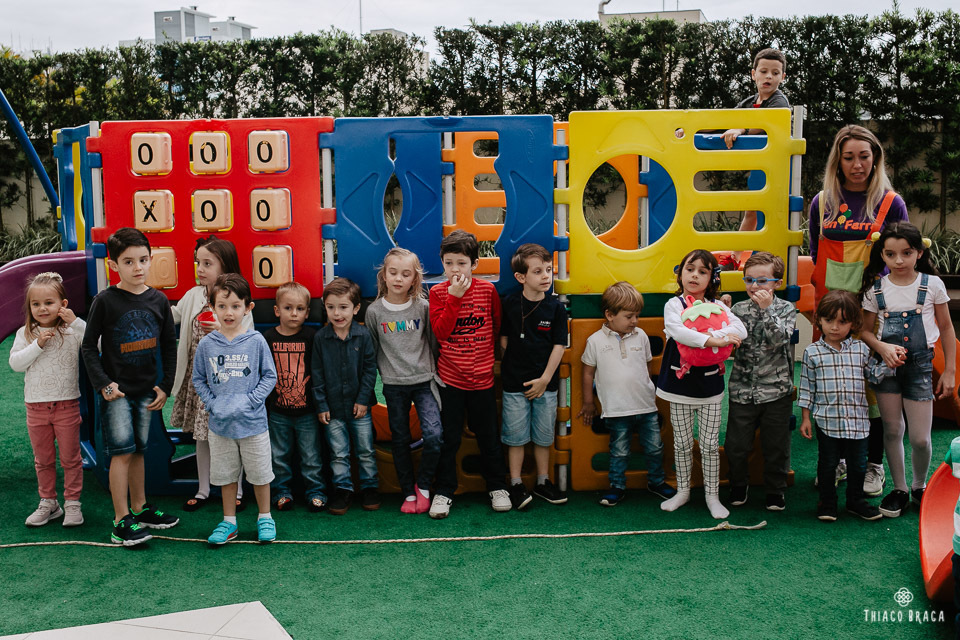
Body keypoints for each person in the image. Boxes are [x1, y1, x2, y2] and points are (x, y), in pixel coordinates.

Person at [809, 124, 909, 497]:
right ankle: (835, 460)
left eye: (864, 156)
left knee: (874, 389)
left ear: (875, 158)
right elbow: (816, 252)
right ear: (838, 160)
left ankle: (872, 465)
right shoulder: (823, 202)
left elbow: (901, 261)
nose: (857, 164)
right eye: (849, 157)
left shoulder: (890, 202)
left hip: (873, 313)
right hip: (832, 311)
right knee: (835, 387)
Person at [81, 227, 179, 546]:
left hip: (146, 391)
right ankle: (121, 521)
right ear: (114, 266)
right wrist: (104, 384)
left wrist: (165, 385)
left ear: (151, 260)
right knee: (121, 453)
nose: (137, 267)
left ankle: (139, 508)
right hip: (117, 393)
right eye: (128, 261)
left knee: (139, 450)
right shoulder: (105, 301)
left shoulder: (159, 300)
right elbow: (87, 347)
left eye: (143, 260)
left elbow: (168, 346)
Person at [859, 223, 956, 518]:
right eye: (890, 254)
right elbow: (864, 331)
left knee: (920, 438)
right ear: (882, 255)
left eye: (906, 253)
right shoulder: (875, 289)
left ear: (919, 252)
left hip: (920, 366)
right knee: (892, 429)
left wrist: (950, 371)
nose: (898, 260)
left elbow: (947, 327)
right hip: (886, 368)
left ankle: (919, 485)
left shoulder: (932, 285)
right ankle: (900, 488)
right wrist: (883, 348)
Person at [656, 250, 746, 519]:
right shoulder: (674, 305)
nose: (695, 275)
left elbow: (739, 329)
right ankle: (683, 491)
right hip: (679, 385)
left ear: (712, 278)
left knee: (708, 444)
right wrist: (715, 340)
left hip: (709, 387)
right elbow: (678, 331)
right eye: (689, 269)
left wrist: (713, 335)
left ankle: (712, 495)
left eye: (702, 271)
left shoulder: (720, 307)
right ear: (680, 273)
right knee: (682, 442)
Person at [192, 274, 278, 545]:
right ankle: (229, 522)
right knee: (226, 476)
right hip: (221, 427)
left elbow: (269, 376)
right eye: (222, 306)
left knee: (260, 474)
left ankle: (265, 517)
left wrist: (251, 401)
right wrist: (213, 403)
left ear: (247, 307)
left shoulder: (256, 341)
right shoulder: (207, 344)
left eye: (236, 306)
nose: (229, 312)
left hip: (253, 425)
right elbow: (198, 379)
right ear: (212, 307)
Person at [429, 230, 509, 518]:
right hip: (450, 381)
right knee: (448, 439)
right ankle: (444, 491)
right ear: (442, 263)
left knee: (488, 436)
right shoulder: (438, 293)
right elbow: (441, 332)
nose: (455, 269)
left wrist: (489, 363)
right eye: (449, 263)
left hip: (483, 382)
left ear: (474, 264)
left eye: (461, 263)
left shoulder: (488, 291)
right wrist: (454, 298)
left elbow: (497, 325)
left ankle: (497, 487)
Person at [170, 236, 252, 513]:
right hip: (199, 382)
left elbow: (247, 341)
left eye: (207, 263)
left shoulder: (237, 298)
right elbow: (173, 316)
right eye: (198, 263)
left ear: (225, 266)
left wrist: (221, 330)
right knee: (201, 436)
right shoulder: (194, 295)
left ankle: (237, 489)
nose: (200, 269)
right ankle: (203, 488)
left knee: (231, 435)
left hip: (227, 383)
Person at [578, 281, 677, 507]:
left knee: (654, 447)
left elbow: (648, 366)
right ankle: (617, 486)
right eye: (629, 316)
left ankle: (656, 481)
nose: (635, 321)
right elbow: (587, 373)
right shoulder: (595, 341)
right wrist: (588, 402)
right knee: (619, 451)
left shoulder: (641, 336)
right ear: (610, 315)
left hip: (645, 407)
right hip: (616, 409)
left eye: (637, 316)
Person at [365, 248, 441, 514]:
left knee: (434, 435)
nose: (398, 278)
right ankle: (408, 492)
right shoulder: (374, 312)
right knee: (400, 439)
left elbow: (432, 343)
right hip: (394, 385)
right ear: (384, 275)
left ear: (414, 279)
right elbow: (373, 351)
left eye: (405, 274)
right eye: (393, 272)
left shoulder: (423, 307)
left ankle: (423, 486)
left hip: (424, 382)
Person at [9, 272, 86, 527]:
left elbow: (95, 344)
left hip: (66, 405)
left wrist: (75, 322)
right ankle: (49, 502)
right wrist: (38, 344)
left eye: (49, 302)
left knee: (71, 458)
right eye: (36, 304)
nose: (42, 308)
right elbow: (16, 364)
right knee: (43, 459)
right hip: (36, 407)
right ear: (30, 307)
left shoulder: (72, 330)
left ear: (62, 304)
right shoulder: (26, 333)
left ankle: (73, 503)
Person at [799, 290, 882, 522]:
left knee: (858, 466)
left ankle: (856, 501)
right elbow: (807, 387)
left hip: (858, 421)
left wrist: (889, 363)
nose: (835, 327)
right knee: (828, 464)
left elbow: (873, 376)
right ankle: (827, 503)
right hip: (827, 420)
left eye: (842, 322)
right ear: (819, 321)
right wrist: (806, 418)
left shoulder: (861, 349)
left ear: (853, 323)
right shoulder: (812, 352)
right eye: (829, 321)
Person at [500, 244, 569, 510]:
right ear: (521, 277)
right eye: (538, 271)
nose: (546, 276)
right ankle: (516, 483)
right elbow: (504, 338)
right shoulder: (509, 302)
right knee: (515, 437)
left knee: (543, 437)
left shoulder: (555, 308)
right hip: (514, 384)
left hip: (546, 386)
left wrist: (544, 380)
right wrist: (510, 365)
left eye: (549, 270)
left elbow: (559, 346)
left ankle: (543, 481)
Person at [725, 252, 796, 511]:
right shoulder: (739, 309)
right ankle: (738, 485)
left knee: (776, 446)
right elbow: (727, 338)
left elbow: (781, 340)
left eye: (762, 281)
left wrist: (766, 312)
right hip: (742, 389)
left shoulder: (786, 308)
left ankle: (775, 490)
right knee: (736, 444)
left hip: (776, 391)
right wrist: (723, 311)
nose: (755, 286)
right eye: (749, 280)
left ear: (777, 283)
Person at [312, 277, 379, 515]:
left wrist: (362, 399)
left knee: (365, 450)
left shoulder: (363, 335)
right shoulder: (321, 338)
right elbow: (317, 374)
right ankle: (343, 489)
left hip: (359, 407)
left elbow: (371, 370)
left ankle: (370, 487)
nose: (337, 313)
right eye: (331, 307)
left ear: (356, 308)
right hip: (332, 408)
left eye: (343, 307)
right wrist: (321, 405)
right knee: (338, 453)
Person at [264, 281, 327, 512]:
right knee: (279, 456)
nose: (294, 313)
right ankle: (281, 492)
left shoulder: (312, 336)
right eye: (288, 308)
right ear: (277, 310)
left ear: (307, 312)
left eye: (300, 309)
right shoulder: (268, 337)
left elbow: (319, 373)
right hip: (278, 411)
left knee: (311, 456)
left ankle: (316, 491)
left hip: (307, 411)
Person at [725, 48, 790, 233]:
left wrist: (740, 129)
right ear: (754, 74)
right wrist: (688, 129)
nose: (769, 76)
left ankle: (763, 254)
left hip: (777, 168)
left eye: (775, 73)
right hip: (760, 166)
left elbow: (763, 123)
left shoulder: (779, 102)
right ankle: (736, 257)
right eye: (763, 72)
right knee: (751, 211)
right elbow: (724, 120)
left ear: (782, 77)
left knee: (768, 212)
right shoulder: (749, 102)